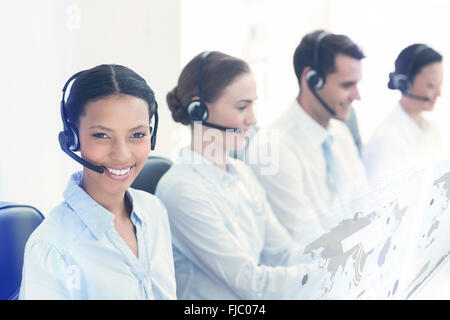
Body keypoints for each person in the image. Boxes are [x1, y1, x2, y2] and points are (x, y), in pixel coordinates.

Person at [156, 51, 326, 300]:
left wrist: (333, 260)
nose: (253, 119)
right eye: (242, 106)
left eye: (253, 104)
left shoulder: (242, 175)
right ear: (198, 110)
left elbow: (281, 253)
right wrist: (324, 276)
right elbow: (251, 283)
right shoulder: (182, 190)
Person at [19, 64, 176, 299]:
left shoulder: (154, 211)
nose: (122, 154)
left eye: (137, 135)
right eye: (102, 135)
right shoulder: (52, 248)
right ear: (72, 137)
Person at [246, 30, 368, 244]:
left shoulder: (341, 134)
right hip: (310, 271)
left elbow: (365, 208)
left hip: (355, 264)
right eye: (347, 85)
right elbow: (309, 242)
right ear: (311, 80)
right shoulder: (273, 148)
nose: (357, 96)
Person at [363, 44, 444, 188]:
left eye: (440, 84)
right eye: (432, 85)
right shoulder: (386, 141)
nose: (439, 93)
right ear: (404, 84)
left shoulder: (432, 130)